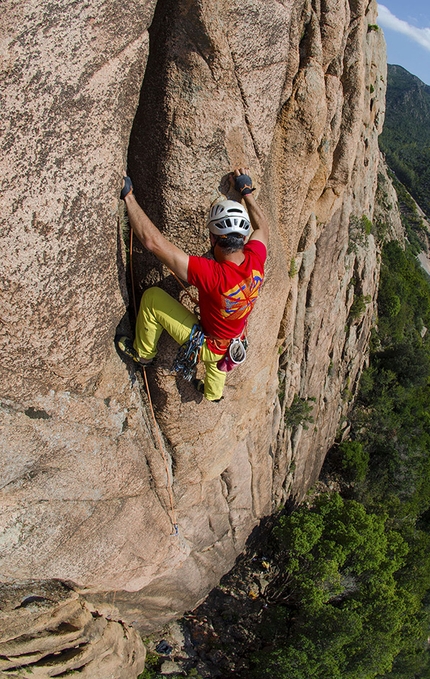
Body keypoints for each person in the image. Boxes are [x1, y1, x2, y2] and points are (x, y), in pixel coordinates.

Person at [117, 168, 269, 402]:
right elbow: (263, 228)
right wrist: (246, 190)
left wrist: (129, 197)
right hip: (235, 340)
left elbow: (152, 242)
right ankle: (213, 394)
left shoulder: (211, 274)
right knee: (218, 365)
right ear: (244, 238)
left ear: (213, 238)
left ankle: (143, 354)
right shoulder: (256, 257)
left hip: (208, 345)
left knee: (152, 298)